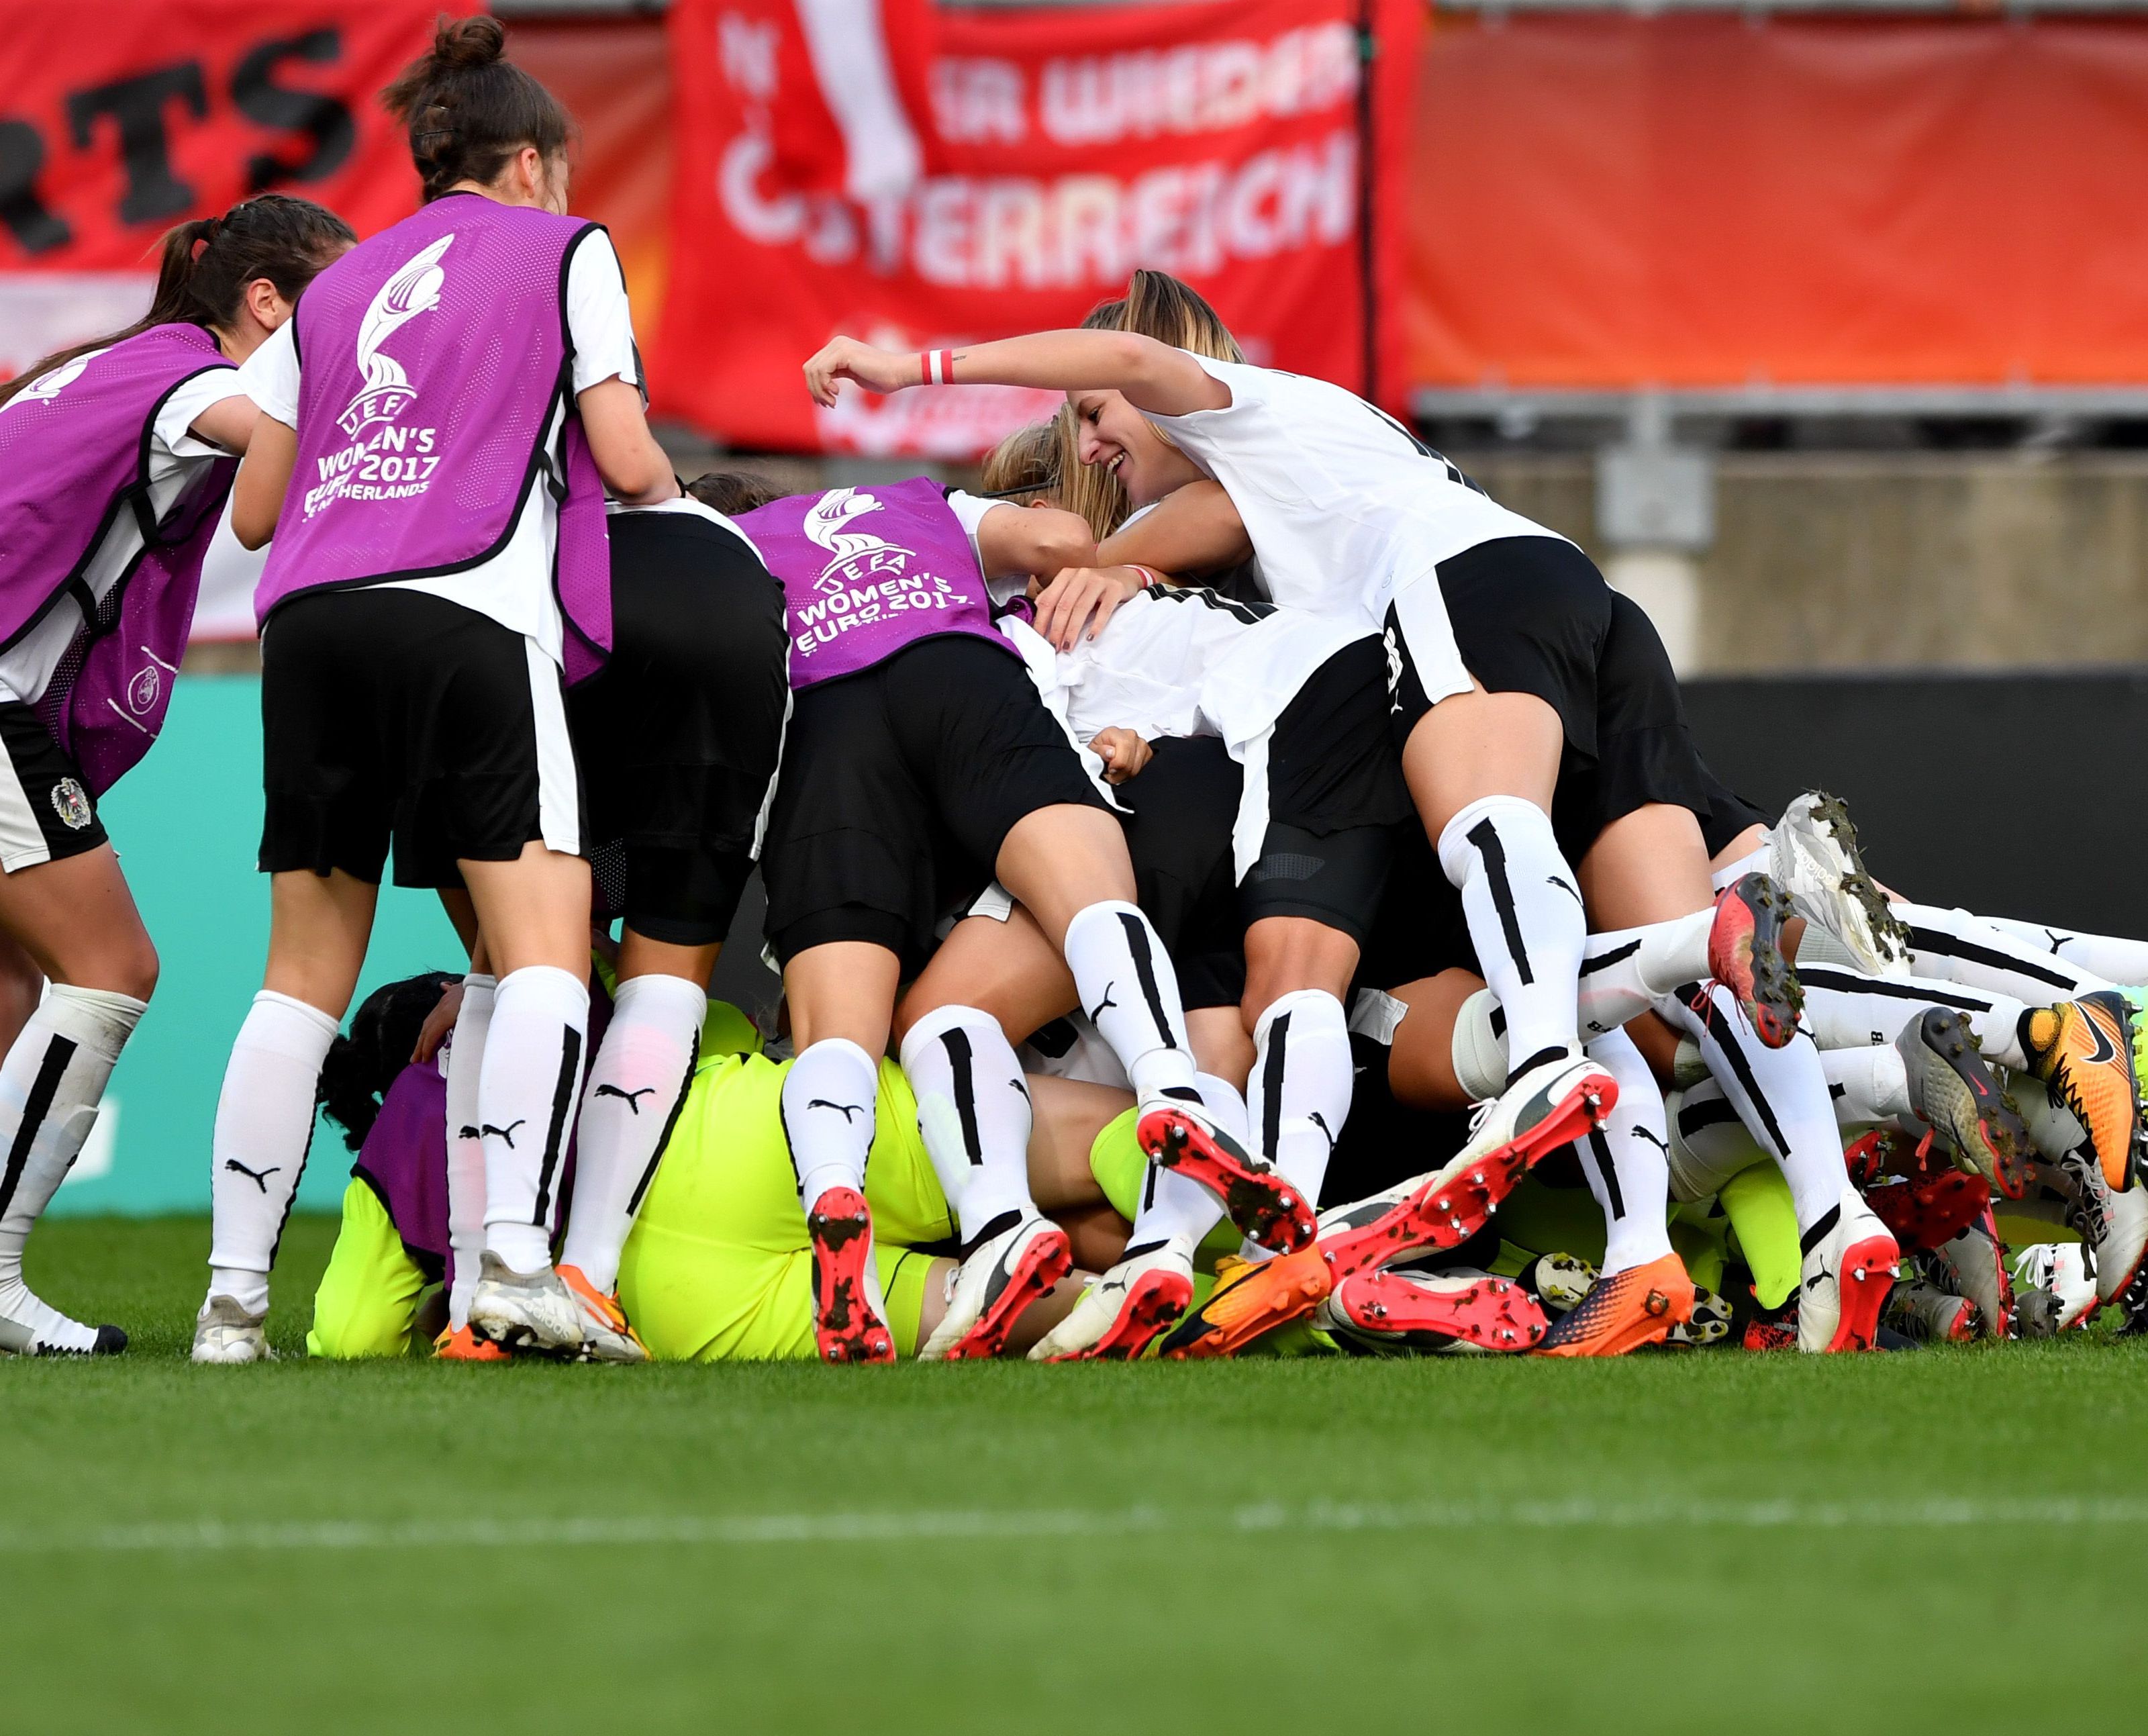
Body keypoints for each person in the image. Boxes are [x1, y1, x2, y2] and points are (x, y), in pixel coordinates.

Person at [801, 275, 1888, 1357]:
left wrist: (911, 370)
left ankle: (1492, 1103)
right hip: (1581, 606)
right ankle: (1824, 1216)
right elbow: (1184, 521)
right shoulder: (1306, 469)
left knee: (1446, 880)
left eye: (1093, 420)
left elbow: (1134, 390)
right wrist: (1126, 560)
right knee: (1670, 978)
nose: (1090, 451)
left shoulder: (1242, 414)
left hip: (1456, 601)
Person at [192, 17, 680, 1363]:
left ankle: (231, 1308)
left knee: (297, 979)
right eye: (561, 173)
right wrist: (682, 522)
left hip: (311, 625)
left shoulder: (338, 286)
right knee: (543, 953)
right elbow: (628, 455)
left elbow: (251, 514)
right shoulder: (565, 250)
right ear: (527, 164)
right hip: (468, 607)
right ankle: (515, 1267)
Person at [689, 469, 1314, 1363]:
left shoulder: (731, 556)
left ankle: (869, 1205)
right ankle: (1172, 1089)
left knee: (845, 1028)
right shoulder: (912, 499)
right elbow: (1062, 542)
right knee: (1089, 892)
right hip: (958, 669)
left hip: (823, 719)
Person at [0, 193, 352, 1354]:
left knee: (12, 987)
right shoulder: (200, 385)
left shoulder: (128, 362)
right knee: (110, 968)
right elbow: (268, 471)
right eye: (337, 307)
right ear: (267, 303)